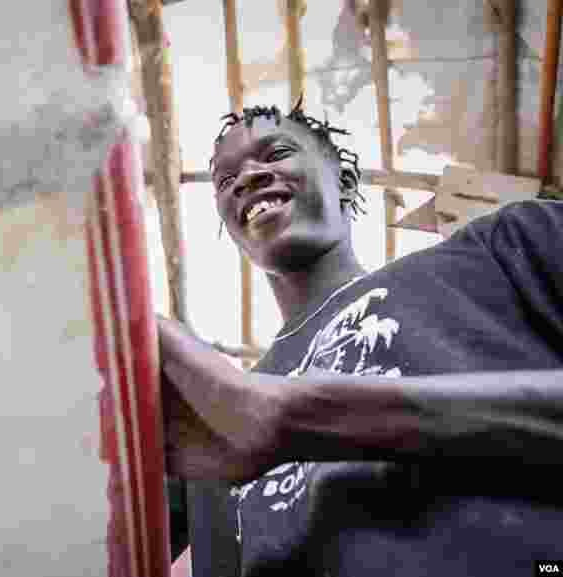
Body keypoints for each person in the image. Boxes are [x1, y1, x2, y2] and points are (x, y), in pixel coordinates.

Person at [160, 99, 563, 576]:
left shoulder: (500, 250)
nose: (246, 178)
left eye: (275, 154)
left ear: (345, 182)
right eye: (226, 181)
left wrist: (295, 415)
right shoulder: (212, 429)